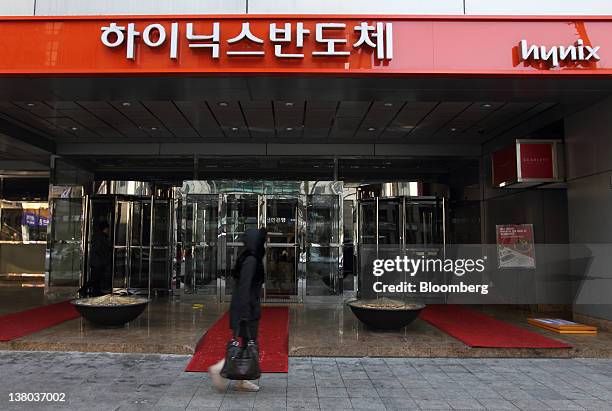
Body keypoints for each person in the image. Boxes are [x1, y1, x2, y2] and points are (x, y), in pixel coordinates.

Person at [209, 228, 266, 392]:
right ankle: (221, 370)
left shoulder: (247, 257)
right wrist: (245, 313)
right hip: (246, 308)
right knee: (249, 343)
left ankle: (240, 380)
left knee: (246, 344)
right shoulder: (251, 260)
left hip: (245, 307)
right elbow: (245, 287)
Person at [78, 220, 112, 298]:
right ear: (105, 228)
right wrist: (103, 258)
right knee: (95, 277)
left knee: (97, 277)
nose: (108, 230)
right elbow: (99, 249)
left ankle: (96, 291)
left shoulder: (99, 236)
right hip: (98, 261)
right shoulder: (100, 237)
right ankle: (83, 289)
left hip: (97, 261)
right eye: (107, 229)